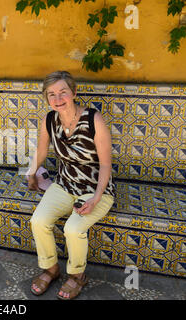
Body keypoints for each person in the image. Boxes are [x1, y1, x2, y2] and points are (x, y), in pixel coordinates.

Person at [27, 71, 115, 300]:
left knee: (73, 229)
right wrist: (31, 173)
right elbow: (42, 150)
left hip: (96, 189)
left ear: (74, 93)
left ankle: (77, 276)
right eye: (51, 94)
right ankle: (51, 269)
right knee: (38, 221)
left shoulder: (93, 119)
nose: (57, 99)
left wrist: (96, 198)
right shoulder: (49, 119)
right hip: (65, 184)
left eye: (63, 92)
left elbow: (106, 164)